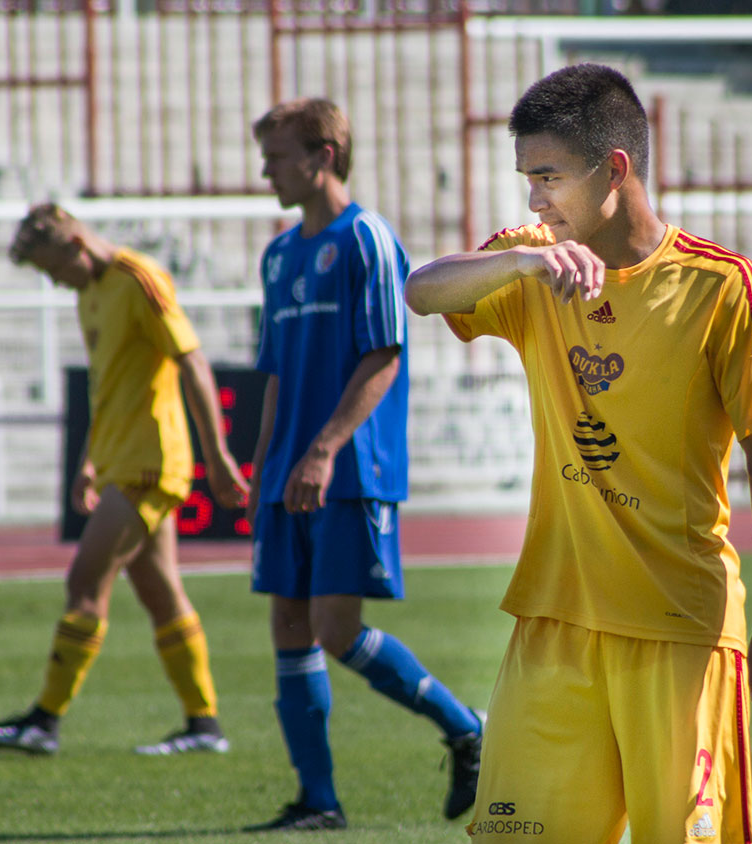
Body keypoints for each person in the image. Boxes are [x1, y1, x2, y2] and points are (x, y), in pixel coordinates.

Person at [406, 63, 752, 843]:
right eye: (527, 179)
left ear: (613, 169)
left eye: (548, 176)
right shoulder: (533, 262)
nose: (534, 200)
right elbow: (421, 290)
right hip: (555, 621)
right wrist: (519, 262)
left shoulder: (721, 286)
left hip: (679, 628)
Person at [242, 97, 485, 833]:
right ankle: (318, 800)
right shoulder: (278, 254)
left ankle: (467, 727)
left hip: (349, 468)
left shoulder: (367, 239)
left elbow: (384, 354)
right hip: (291, 470)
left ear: (322, 155)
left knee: (335, 628)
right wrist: (265, 464)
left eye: (278, 157)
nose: (266, 171)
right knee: (289, 622)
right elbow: (277, 373)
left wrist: (323, 449)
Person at [0, 203, 250, 755]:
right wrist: (89, 462)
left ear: (76, 245)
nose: (55, 282)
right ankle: (204, 726)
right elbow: (109, 385)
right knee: (160, 592)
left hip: (151, 463)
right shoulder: (89, 293)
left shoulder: (139, 278)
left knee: (83, 585)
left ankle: (43, 722)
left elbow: (191, 360)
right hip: (120, 462)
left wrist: (216, 455)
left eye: (53, 269)